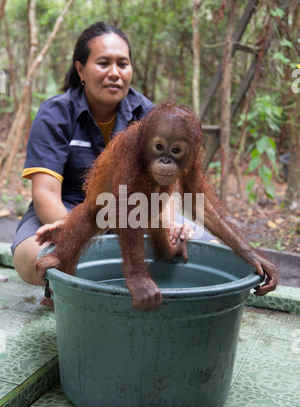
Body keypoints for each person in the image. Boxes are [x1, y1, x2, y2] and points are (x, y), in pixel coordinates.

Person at [11, 21, 215, 303]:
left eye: (123, 64)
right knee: (32, 257)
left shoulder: (149, 115)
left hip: (134, 212)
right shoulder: (56, 113)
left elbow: (162, 190)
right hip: (67, 210)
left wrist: (168, 224)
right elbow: (45, 193)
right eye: (104, 63)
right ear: (81, 69)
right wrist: (74, 231)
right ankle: (69, 291)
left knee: (208, 248)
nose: (115, 74)